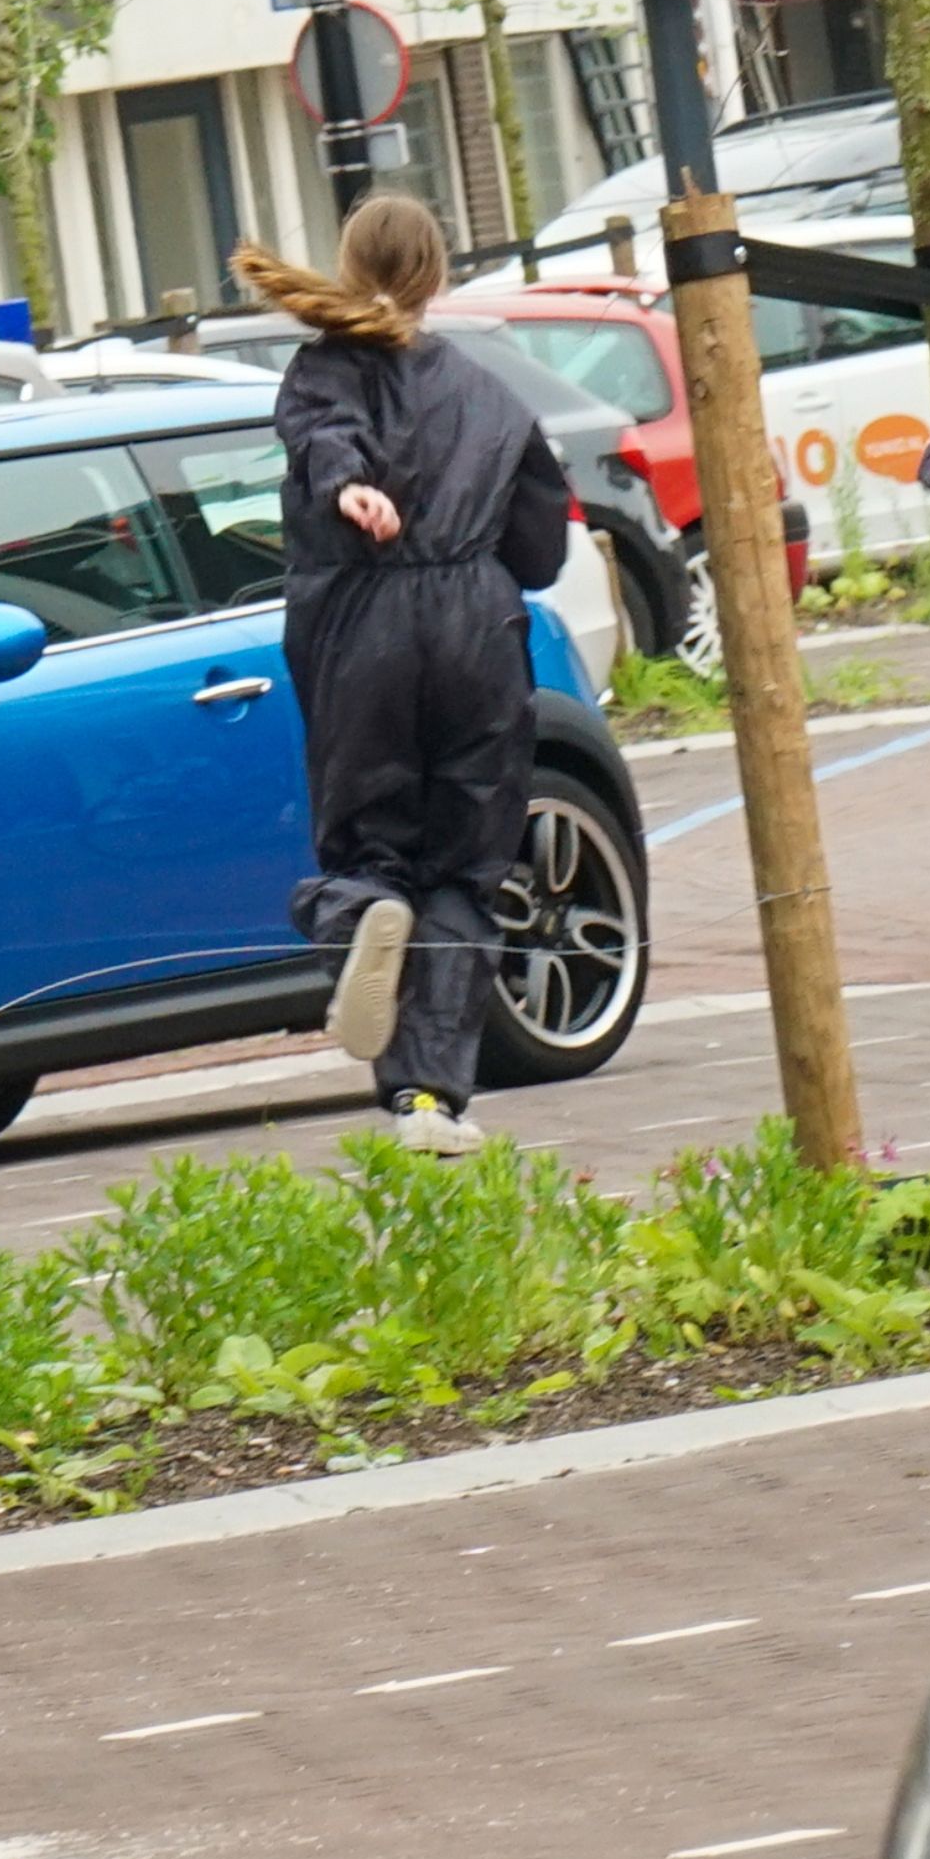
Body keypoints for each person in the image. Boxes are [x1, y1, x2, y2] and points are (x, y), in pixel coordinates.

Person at [233, 199, 573, 1156]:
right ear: (441, 276)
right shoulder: (495, 399)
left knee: (369, 846)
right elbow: (541, 549)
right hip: (476, 630)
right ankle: (431, 1098)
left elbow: (325, 438)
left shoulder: (321, 371)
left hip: (363, 626)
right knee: (466, 862)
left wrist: (351, 490)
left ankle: (366, 914)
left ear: (351, 262)